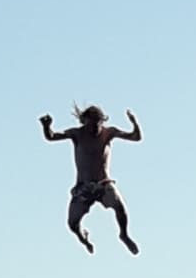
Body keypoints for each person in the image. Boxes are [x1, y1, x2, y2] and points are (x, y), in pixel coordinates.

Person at [40, 104, 142, 254]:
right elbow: (52, 137)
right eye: (91, 124)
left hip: (103, 184)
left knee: (120, 207)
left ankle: (124, 235)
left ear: (102, 121)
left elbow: (136, 137)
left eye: (97, 123)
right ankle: (84, 238)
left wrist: (135, 124)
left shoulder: (109, 133)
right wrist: (46, 126)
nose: (94, 128)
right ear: (84, 122)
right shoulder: (77, 134)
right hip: (83, 186)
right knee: (72, 224)